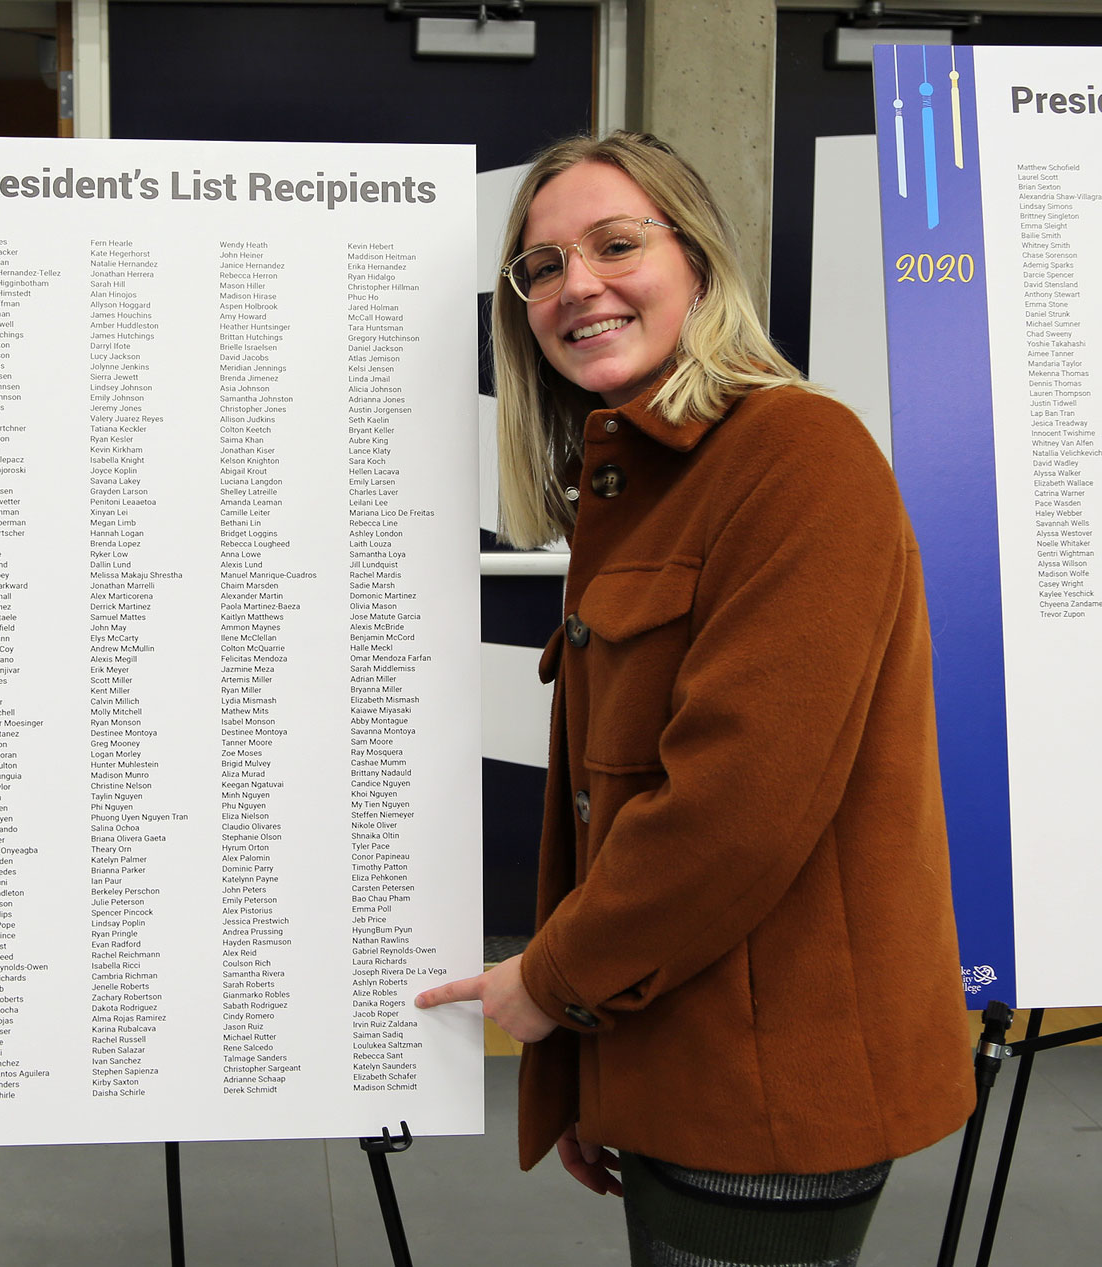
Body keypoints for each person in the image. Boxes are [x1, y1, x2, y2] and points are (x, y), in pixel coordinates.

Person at [414, 131, 975, 1266]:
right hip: (675, 1052)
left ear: (701, 260)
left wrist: (553, 987)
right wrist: (594, 1070)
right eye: (543, 267)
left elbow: (735, 808)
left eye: (617, 244)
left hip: (767, 1088)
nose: (579, 285)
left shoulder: (798, 455)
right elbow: (610, 810)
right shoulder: (642, 482)